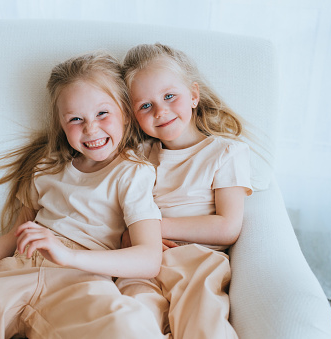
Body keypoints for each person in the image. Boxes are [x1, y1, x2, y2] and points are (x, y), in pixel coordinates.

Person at [0, 52, 166, 339]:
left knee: (127, 326)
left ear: (125, 114)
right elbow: (20, 229)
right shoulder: (47, 168)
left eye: (102, 113)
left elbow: (148, 258)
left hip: (81, 280)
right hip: (16, 271)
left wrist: (67, 255)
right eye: (76, 119)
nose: (90, 128)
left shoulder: (132, 173)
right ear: (62, 126)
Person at [115, 43, 253, 339]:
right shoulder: (137, 157)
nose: (161, 111)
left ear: (193, 95)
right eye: (145, 105)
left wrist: (150, 228)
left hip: (198, 263)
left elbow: (228, 227)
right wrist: (132, 236)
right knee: (131, 318)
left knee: (203, 325)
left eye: (169, 96)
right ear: (133, 115)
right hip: (143, 260)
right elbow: (121, 214)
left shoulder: (226, 152)